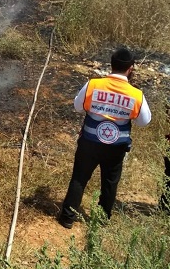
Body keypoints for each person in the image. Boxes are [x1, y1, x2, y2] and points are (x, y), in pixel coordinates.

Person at [58, 48, 152, 229]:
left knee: (79, 178)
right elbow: (144, 122)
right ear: (130, 69)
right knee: (110, 182)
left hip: (89, 142)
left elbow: (78, 106)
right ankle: (101, 220)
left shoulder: (93, 85)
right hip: (116, 146)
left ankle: (67, 218)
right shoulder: (136, 94)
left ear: (111, 64)